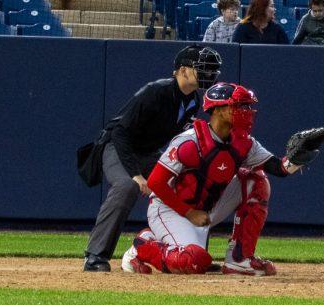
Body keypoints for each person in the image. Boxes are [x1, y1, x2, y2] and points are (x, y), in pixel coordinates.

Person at [122, 82, 323, 276]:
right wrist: (190, 213)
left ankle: (239, 259)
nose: (246, 111)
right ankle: (142, 245)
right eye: (239, 106)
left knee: (256, 180)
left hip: (206, 208)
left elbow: (279, 168)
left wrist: (297, 159)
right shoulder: (189, 141)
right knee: (194, 261)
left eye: (247, 106)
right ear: (218, 110)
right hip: (170, 209)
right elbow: (156, 183)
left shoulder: (244, 143)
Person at [81, 44, 222, 272]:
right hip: (117, 147)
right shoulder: (156, 91)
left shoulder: (193, 100)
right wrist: (136, 175)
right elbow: (120, 133)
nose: (208, 74)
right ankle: (95, 255)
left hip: (147, 152)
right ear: (183, 70)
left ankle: (192, 253)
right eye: (201, 69)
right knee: (127, 186)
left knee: (192, 183)